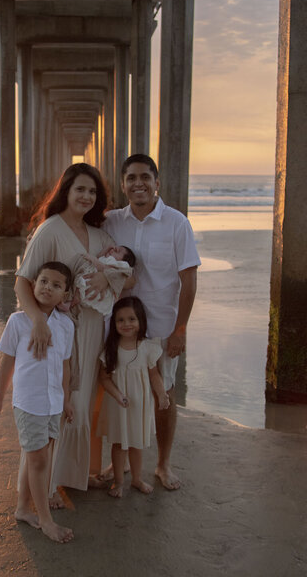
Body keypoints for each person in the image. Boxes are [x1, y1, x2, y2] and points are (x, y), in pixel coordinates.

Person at [14, 163, 129, 494]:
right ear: (66, 191)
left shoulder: (101, 236)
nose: (87, 196)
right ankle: (48, 486)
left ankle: (71, 477)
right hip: (58, 333)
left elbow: (128, 274)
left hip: (93, 331)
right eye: (80, 189)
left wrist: (107, 275)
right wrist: (38, 320)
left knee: (81, 406)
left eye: (93, 191)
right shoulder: (50, 230)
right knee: (60, 406)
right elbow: (23, 281)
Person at [103, 154, 201, 490]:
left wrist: (181, 328)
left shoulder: (176, 223)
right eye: (131, 178)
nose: (138, 183)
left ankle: (162, 464)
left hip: (161, 326)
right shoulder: (112, 221)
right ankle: (121, 461)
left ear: (157, 183)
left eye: (145, 177)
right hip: (119, 326)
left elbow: (188, 280)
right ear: (122, 184)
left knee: (164, 394)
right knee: (120, 392)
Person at [0, 262, 75, 543]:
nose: (48, 287)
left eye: (56, 284)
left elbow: (65, 366)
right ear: (33, 284)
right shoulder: (18, 321)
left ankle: (23, 508)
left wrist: (67, 400)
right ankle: (46, 521)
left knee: (37, 457)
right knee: (38, 460)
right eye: (43, 281)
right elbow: (7, 363)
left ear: (66, 293)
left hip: (54, 402)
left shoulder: (66, 325)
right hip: (28, 402)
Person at [97, 297, 170, 498]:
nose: (126, 324)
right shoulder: (111, 348)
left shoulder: (147, 347)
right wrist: (118, 395)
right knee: (119, 444)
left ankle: (137, 479)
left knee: (137, 443)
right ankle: (119, 481)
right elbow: (104, 378)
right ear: (114, 323)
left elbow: (154, 375)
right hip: (118, 404)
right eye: (120, 320)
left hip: (140, 404)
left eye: (132, 319)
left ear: (141, 321)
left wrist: (162, 394)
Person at [72, 245, 135, 316]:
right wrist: (106, 249)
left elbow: (103, 267)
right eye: (113, 249)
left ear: (124, 261)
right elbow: (99, 258)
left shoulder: (120, 266)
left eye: (117, 251)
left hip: (103, 291)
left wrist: (93, 260)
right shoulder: (107, 259)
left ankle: (77, 297)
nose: (112, 250)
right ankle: (76, 298)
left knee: (84, 279)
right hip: (95, 286)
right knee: (84, 278)